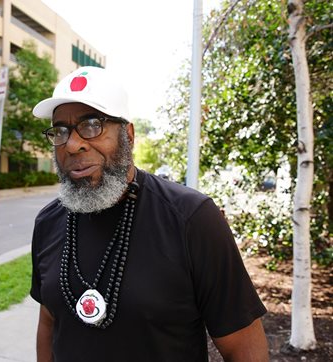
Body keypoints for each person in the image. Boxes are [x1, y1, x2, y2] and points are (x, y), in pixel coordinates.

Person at [30, 66, 268, 361]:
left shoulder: (192, 219)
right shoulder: (48, 223)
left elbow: (244, 349)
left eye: (92, 124)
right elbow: (49, 321)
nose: (73, 143)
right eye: (60, 130)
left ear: (128, 135)